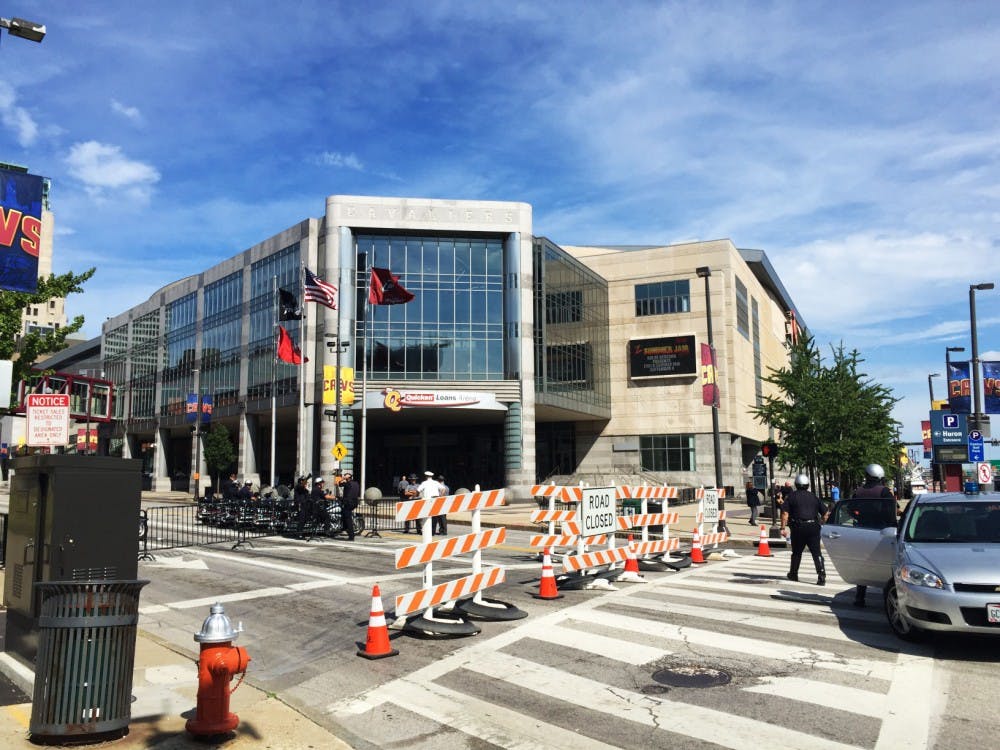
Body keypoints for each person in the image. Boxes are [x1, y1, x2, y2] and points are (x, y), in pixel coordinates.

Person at [848, 463, 895, 606]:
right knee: (887, 564)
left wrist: (859, 517)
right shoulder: (884, 491)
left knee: (863, 564)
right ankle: (889, 597)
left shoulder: (858, 492)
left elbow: (850, 509)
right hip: (882, 531)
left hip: (863, 530)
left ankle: (859, 596)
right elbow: (891, 512)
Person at [780, 473, 829, 585]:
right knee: (817, 553)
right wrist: (821, 523)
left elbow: (784, 513)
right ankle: (821, 576)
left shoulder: (791, 496)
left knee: (797, 552)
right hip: (813, 527)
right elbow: (826, 513)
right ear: (807, 485)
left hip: (798, 527)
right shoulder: (814, 496)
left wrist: (782, 528)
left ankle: (793, 573)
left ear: (796, 484)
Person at [417, 470, 445, 535]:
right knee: (434, 517)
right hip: (435, 500)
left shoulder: (424, 483)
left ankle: (425, 531)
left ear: (426, 477)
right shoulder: (436, 482)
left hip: (427, 501)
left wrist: (416, 495)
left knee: (425, 516)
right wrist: (440, 496)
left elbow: (418, 490)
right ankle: (433, 532)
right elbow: (443, 489)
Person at [338, 470, 360, 541]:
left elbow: (339, 484)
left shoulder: (347, 484)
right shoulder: (356, 483)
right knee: (344, 514)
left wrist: (343, 478)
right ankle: (344, 527)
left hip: (348, 503)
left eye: (346, 476)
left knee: (348, 519)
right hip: (354, 503)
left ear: (348, 478)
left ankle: (351, 536)